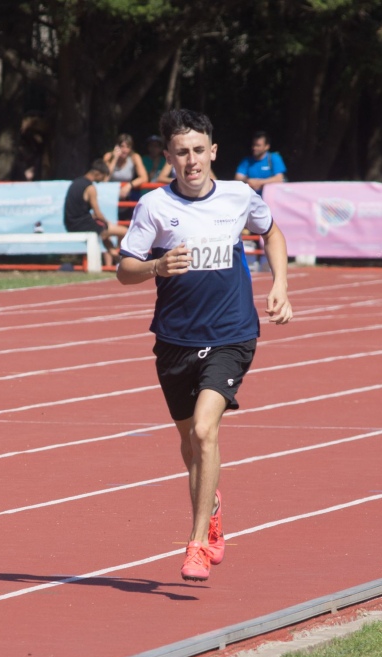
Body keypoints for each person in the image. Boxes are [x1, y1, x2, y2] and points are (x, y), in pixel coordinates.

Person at [116, 109, 293, 582]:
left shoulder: (239, 195)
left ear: (213, 151)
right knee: (189, 445)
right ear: (168, 157)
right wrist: (156, 267)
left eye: (199, 150)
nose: (191, 160)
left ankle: (196, 543)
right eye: (181, 152)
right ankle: (210, 504)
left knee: (204, 431)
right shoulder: (153, 207)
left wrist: (281, 284)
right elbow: (124, 269)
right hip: (174, 339)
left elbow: (270, 231)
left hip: (232, 334)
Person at [63, 159, 128, 267]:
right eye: (103, 177)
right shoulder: (90, 187)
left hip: (71, 223)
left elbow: (77, 208)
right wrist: (107, 223)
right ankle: (125, 258)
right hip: (81, 224)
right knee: (124, 231)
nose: (102, 180)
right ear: (98, 173)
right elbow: (97, 213)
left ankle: (117, 258)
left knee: (104, 234)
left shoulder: (76, 182)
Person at [234, 131, 287, 195]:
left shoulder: (274, 158)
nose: (254, 148)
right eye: (253, 145)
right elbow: (238, 177)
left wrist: (259, 182)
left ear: (267, 146)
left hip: (271, 197)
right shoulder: (247, 160)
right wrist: (248, 181)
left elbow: (279, 179)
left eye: (258, 145)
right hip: (253, 197)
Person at [103, 133, 149, 199]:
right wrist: (115, 158)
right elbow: (105, 178)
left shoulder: (135, 157)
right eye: (122, 146)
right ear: (117, 146)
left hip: (126, 195)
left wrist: (129, 185)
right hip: (109, 195)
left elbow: (144, 178)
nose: (125, 150)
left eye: (128, 147)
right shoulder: (108, 157)